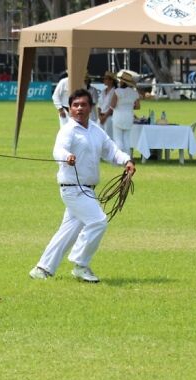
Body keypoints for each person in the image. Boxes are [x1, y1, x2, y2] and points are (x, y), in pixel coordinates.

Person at [29, 89, 136, 283]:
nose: (79, 108)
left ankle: (42, 268)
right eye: (75, 105)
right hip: (72, 188)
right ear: (70, 109)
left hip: (87, 189)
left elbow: (111, 150)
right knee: (98, 221)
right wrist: (66, 156)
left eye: (83, 105)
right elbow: (58, 150)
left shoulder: (95, 130)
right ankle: (80, 264)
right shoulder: (68, 130)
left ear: (90, 108)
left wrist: (126, 161)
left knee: (67, 232)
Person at [110, 70, 141, 154]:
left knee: (118, 138)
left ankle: (119, 158)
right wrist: (129, 106)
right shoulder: (134, 93)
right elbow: (138, 106)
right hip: (129, 116)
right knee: (127, 139)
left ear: (122, 82)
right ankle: (128, 158)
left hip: (118, 116)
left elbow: (112, 105)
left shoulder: (117, 91)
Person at [97, 71, 117, 138]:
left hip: (109, 117)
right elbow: (99, 105)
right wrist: (99, 116)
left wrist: (105, 117)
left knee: (108, 138)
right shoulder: (103, 91)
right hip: (101, 117)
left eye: (106, 79)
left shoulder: (115, 92)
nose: (104, 80)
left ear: (111, 80)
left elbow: (113, 106)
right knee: (99, 137)